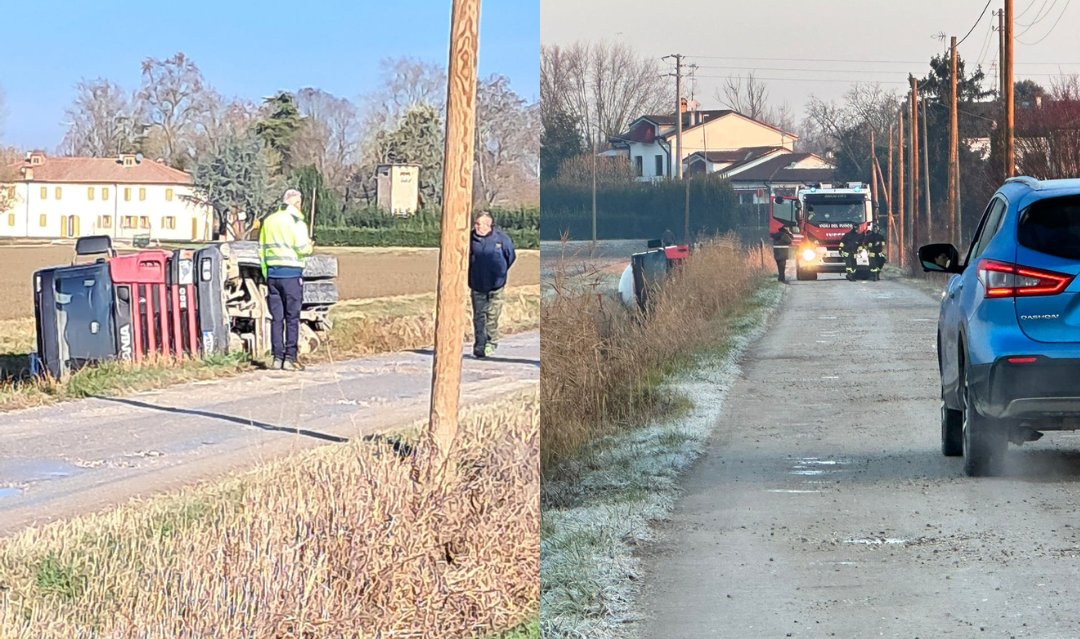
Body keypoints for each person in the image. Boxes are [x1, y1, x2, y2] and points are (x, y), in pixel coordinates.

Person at [259, 189, 314, 371]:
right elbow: (301, 248)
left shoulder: (269, 221)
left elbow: (261, 249)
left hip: (272, 275)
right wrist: (310, 246)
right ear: (296, 203)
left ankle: (276, 358)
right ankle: (290, 358)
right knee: (292, 318)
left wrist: (267, 273)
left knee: (277, 318)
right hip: (291, 274)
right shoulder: (296, 221)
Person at [469, 211, 516, 358]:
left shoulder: (501, 239)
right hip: (477, 284)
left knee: (492, 315)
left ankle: (491, 342)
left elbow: (510, 256)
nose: (477, 227)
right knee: (479, 316)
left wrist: (500, 272)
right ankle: (480, 346)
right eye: (476, 224)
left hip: (496, 285)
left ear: (488, 225)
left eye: (480, 224)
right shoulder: (470, 239)